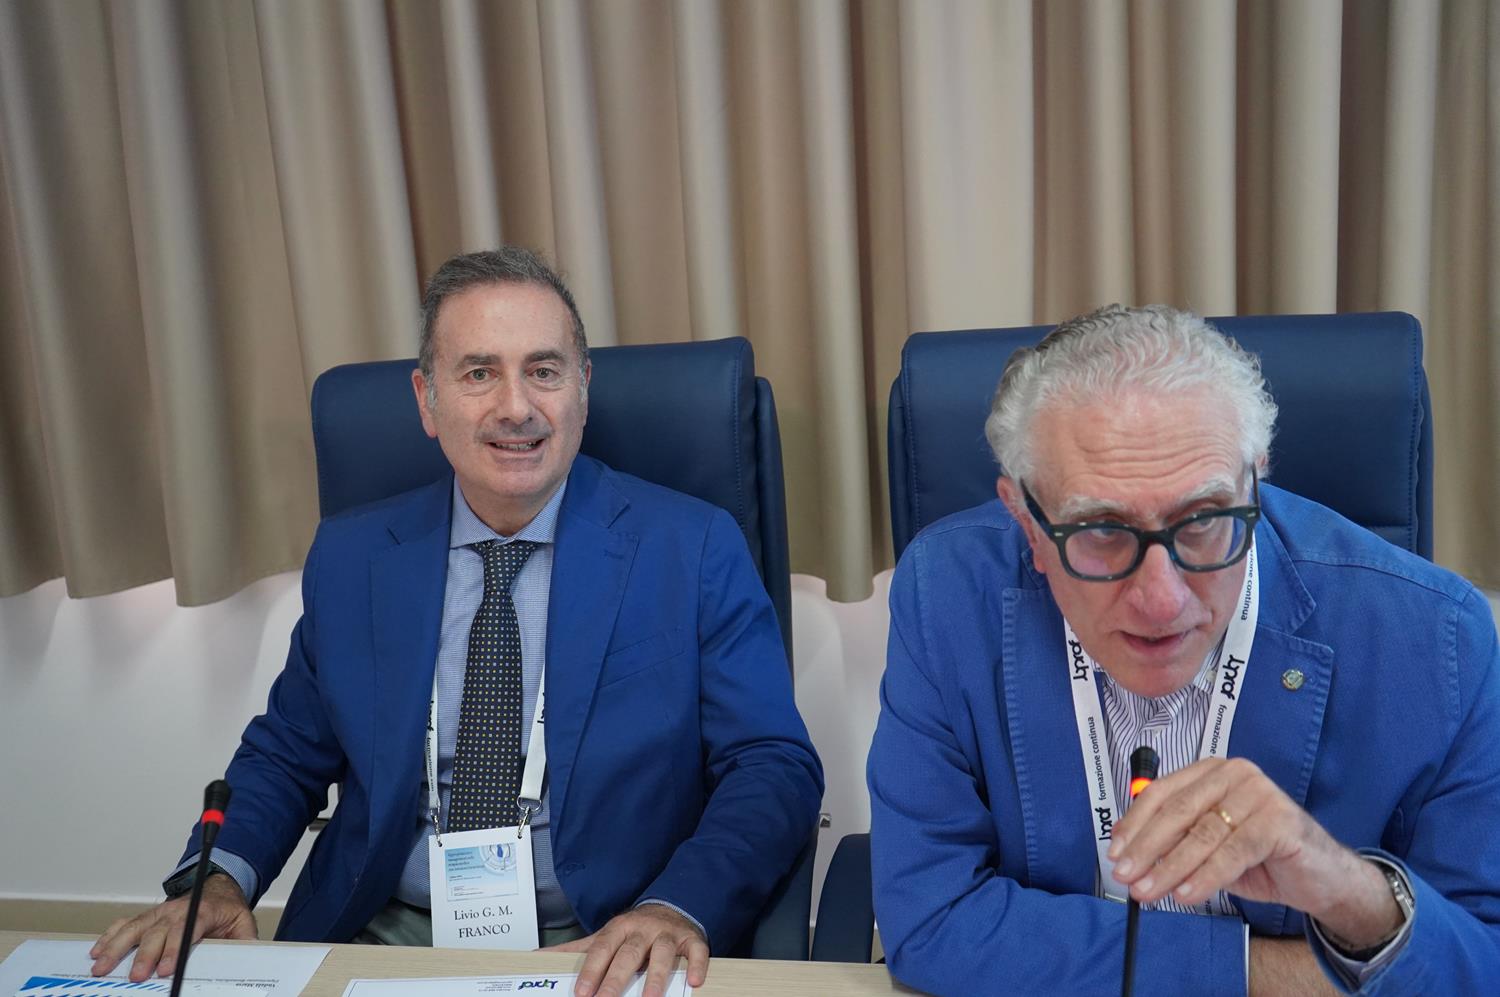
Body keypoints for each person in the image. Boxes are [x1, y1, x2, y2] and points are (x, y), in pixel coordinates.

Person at [91, 247, 823, 997]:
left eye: (544, 370)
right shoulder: (354, 557)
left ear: (582, 388)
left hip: (599, 941)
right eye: (479, 373)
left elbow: (772, 763)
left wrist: (674, 906)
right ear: (427, 399)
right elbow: (286, 755)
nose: (517, 406)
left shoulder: (690, 547)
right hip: (383, 931)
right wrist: (217, 879)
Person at [867, 305, 1500, 995]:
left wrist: (1350, 891)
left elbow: (1484, 961)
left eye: (1202, 520)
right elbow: (931, 918)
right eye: (1102, 530)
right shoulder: (945, 595)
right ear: (1026, 521)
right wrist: (1273, 972)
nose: (1161, 600)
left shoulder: (1438, 640)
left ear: (1255, 481)